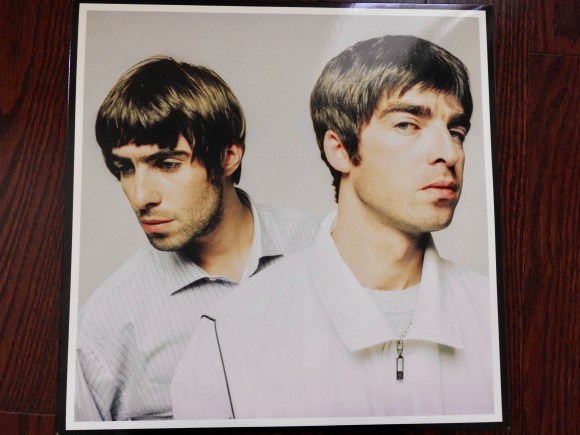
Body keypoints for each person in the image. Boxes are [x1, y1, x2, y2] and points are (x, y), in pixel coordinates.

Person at [171, 35, 494, 419]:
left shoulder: (499, 317)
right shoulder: (230, 332)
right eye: (408, 124)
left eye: (456, 132)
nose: (449, 152)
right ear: (339, 149)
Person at [74, 56, 320, 421]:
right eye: (125, 168)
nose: (140, 197)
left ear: (228, 157)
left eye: (167, 164)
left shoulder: (330, 249)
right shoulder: (103, 327)